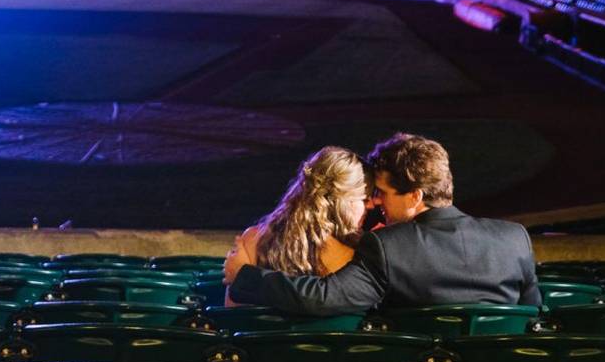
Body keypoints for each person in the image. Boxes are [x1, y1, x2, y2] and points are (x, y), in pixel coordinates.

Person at [225, 133, 539, 314]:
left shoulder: (388, 246)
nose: (377, 203)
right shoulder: (514, 239)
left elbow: (321, 297)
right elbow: (537, 317)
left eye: (383, 194)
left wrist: (246, 276)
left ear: (415, 196)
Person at [223, 146, 367, 282]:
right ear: (344, 201)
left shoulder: (252, 239)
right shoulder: (351, 257)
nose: (371, 206)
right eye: (364, 199)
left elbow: (232, 308)